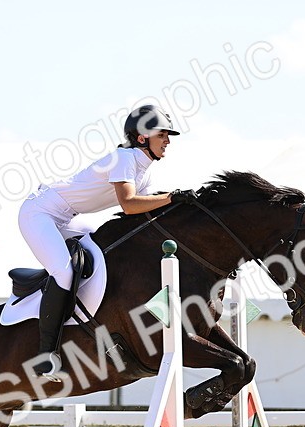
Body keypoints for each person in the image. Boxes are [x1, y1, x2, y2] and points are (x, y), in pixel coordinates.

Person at [18, 104, 197, 379]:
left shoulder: (144, 169)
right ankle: (45, 356)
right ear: (142, 138)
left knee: (103, 254)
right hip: (40, 213)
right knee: (65, 272)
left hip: (68, 218)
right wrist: (173, 197)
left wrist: (187, 206)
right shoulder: (124, 158)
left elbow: (146, 210)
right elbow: (129, 204)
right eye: (163, 135)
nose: (168, 141)